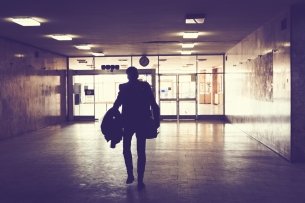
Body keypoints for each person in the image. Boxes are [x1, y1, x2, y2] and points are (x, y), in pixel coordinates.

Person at [112, 66, 159, 190]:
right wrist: (156, 122)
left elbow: (117, 104)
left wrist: (112, 117)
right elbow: (154, 104)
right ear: (137, 75)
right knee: (141, 151)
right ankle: (140, 180)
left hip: (128, 122)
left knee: (126, 148)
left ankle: (130, 175)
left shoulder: (124, 87)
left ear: (128, 75)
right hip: (142, 122)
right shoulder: (145, 87)